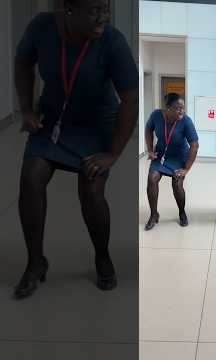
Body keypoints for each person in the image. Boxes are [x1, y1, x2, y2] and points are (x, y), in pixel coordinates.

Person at [14, 0, 139, 299]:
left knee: (91, 189)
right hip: (54, 119)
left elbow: (130, 100)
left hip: (97, 124)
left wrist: (113, 154)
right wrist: (26, 110)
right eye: (95, 10)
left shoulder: (113, 41)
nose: (104, 17)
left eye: (106, 8)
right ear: (68, 10)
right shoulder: (41, 28)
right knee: (31, 178)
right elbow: (22, 62)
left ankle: (102, 256)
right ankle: (35, 262)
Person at [144, 93, 199, 230]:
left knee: (177, 184)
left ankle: (182, 212)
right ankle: (153, 214)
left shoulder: (186, 121)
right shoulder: (156, 115)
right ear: (168, 108)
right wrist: (150, 150)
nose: (182, 111)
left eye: (183, 108)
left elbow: (194, 144)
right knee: (152, 178)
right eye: (178, 108)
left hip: (180, 157)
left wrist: (186, 169)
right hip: (161, 155)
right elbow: (148, 129)